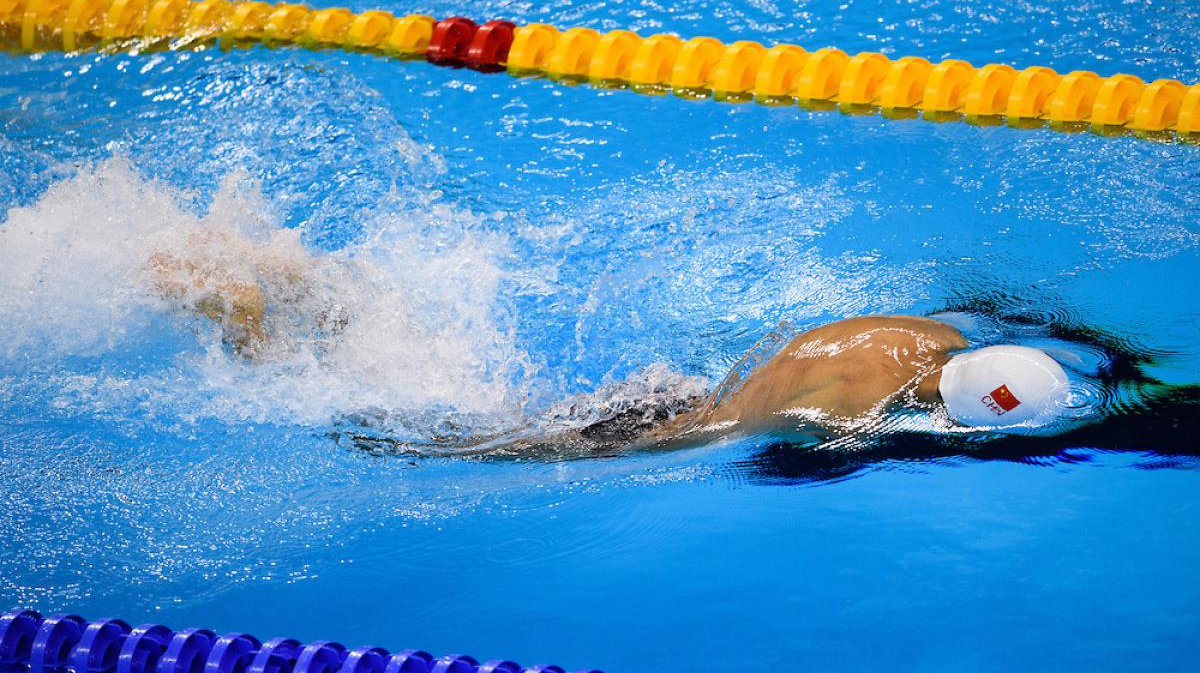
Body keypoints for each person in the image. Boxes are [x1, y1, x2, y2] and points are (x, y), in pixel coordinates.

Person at [146, 247, 1073, 449]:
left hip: (682, 382)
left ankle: (314, 291)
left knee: (462, 400)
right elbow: (747, 451)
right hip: (667, 422)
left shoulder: (931, 338)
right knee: (439, 443)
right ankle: (242, 328)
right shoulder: (848, 409)